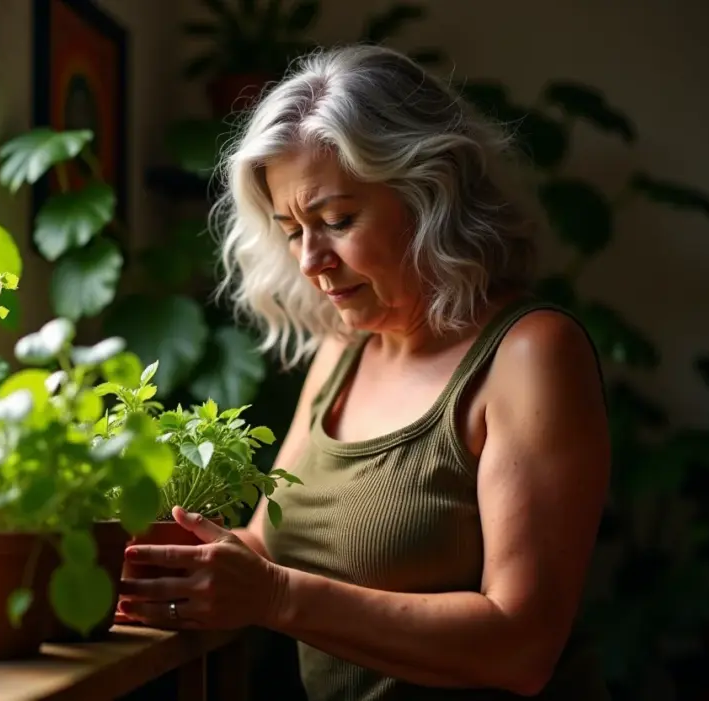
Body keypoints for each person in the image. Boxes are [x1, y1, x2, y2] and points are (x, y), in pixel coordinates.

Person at [117, 44, 611, 700]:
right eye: (292, 230)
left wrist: (273, 595)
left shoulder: (529, 355)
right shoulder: (345, 350)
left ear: (429, 191)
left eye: (336, 220)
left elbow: (519, 646)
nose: (311, 259)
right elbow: (266, 544)